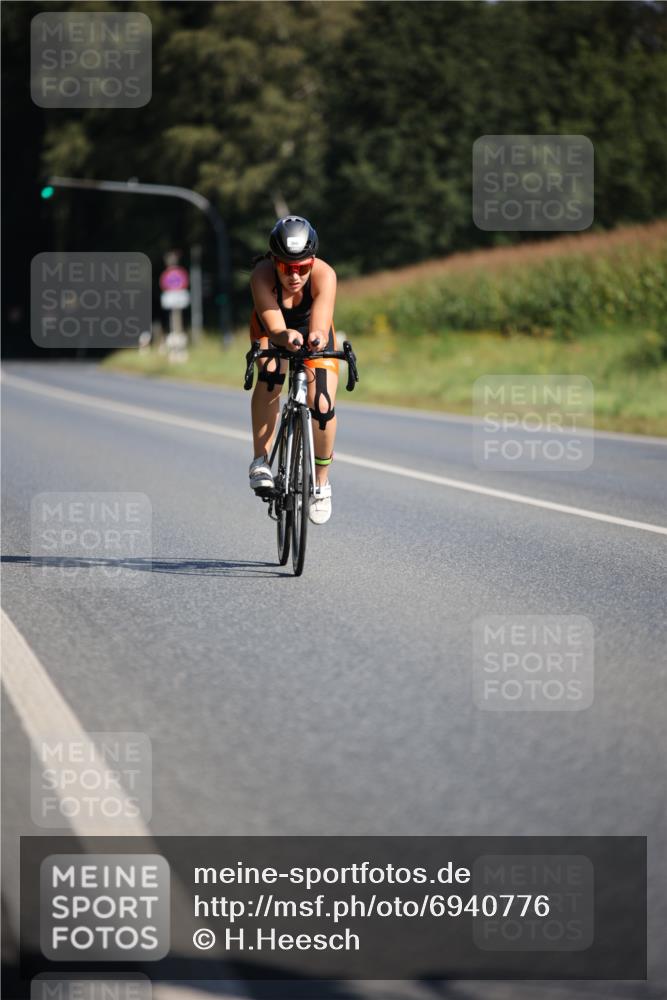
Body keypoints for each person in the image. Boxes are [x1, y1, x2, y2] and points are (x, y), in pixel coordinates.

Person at [248, 216, 338, 525]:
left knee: (322, 403)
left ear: (313, 261)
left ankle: (321, 484)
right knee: (272, 375)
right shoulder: (261, 276)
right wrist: (284, 336)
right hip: (271, 328)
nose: (295, 275)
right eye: (287, 268)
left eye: (303, 267)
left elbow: (321, 325)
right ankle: (260, 461)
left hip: (312, 329)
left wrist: (317, 338)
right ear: (275, 261)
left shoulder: (325, 274)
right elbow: (274, 328)